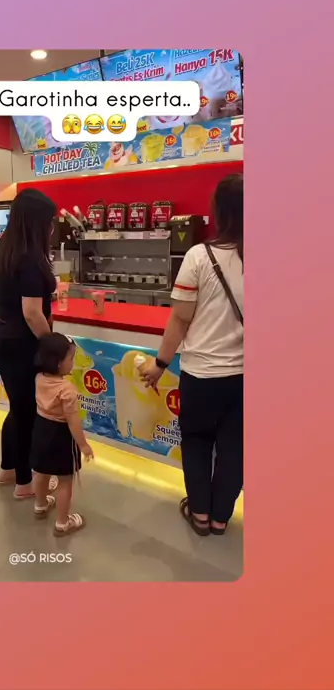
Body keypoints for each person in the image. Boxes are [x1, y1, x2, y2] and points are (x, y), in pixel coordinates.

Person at [140, 174, 244, 536]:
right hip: (244, 378)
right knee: (234, 448)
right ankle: (220, 519)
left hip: (201, 375)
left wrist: (159, 364)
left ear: (219, 212)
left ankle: (200, 514)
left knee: (197, 441)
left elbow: (180, 320)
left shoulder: (199, 256)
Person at [0, 188, 58, 498]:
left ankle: (8, 469)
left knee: (17, 408)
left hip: (0, 335)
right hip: (21, 343)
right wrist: (51, 345)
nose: (52, 228)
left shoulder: (2, 248)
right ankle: (25, 483)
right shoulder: (30, 258)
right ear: (36, 222)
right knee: (27, 412)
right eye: (49, 221)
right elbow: (31, 312)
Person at [31, 333, 94, 536]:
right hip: (61, 437)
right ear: (58, 363)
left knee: (41, 472)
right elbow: (73, 421)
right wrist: (83, 445)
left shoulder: (39, 378)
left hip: (40, 430)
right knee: (65, 481)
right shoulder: (67, 390)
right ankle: (62, 523)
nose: (73, 363)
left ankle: (40, 505)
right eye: (71, 359)